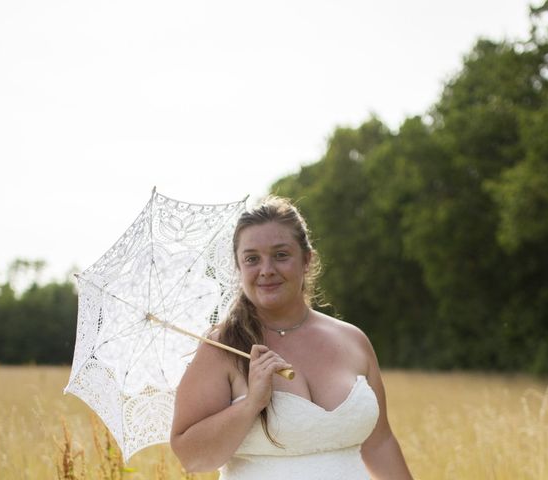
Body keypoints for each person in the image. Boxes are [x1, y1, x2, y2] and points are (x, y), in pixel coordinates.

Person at [170, 196, 413, 480]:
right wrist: (252, 405)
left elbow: (379, 444)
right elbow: (191, 457)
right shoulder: (224, 346)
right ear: (239, 268)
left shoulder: (353, 339)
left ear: (307, 260)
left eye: (281, 254)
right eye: (252, 259)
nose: (266, 269)